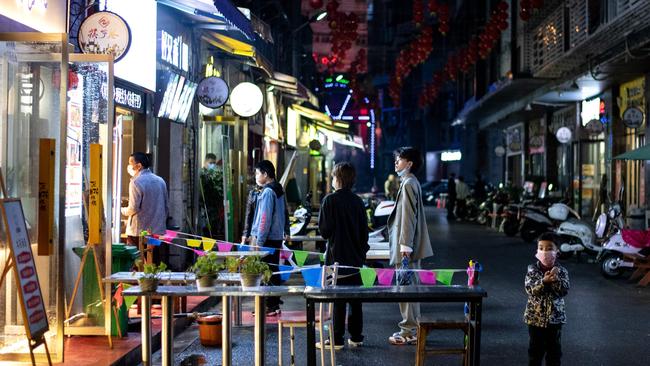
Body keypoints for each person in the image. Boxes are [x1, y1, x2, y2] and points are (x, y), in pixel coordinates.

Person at [317, 162, 369, 350]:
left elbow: (324, 231)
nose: (331, 180)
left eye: (333, 177)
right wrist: (361, 253)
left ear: (338, 178)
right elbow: (365, 233)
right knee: (356, 298)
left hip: (336, 256)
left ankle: (336, 339)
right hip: (356, 258)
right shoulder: (358, 202)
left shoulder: (329, 201)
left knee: (338, 298)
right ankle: (356, 337)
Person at [387, 147, 433, 345]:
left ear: (410, 163)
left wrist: (405, 246)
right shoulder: (412, 182)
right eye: (396, 158)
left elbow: (408, 217)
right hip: (409, 247)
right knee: (411, 288)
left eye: (400, 159)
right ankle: (414, 328)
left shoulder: (408, 183)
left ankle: (408, 330)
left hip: (406, 248)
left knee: (405, 289)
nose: (396, 162)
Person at [524, 233, 570, 366]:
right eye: (541, 248)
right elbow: (530, 289)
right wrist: (543, 282)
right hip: (535, 319)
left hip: (555, 319)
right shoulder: (532, 270)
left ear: (557, 251)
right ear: (537, 250)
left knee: (554, 353)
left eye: (549, 248)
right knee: (535, 352)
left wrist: (555, 280)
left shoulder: (562, 271)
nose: (545, 252)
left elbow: (564, 290)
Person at [250, 160, 287, 315]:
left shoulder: (267, 192)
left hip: (267, 238)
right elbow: (285, 212)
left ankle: (269, 305)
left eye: (258, 173)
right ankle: (273, 304)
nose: (256, 177)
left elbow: (264, 218)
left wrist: (259, 241)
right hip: (276, 236)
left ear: (265, 174)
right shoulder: (279, 189)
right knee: (273, 269)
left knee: (266, 271)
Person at [121, 152, 169, 263]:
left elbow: (133, 208)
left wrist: (122, 210)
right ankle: (153, 280)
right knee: (153, 261)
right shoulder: (160, 181)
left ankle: (140, 280)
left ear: (138, 166)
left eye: (130, 163)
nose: (129, 167)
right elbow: (166, 206)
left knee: (138, 262)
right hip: (157, 231)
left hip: (138, 232)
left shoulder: (136, 182)